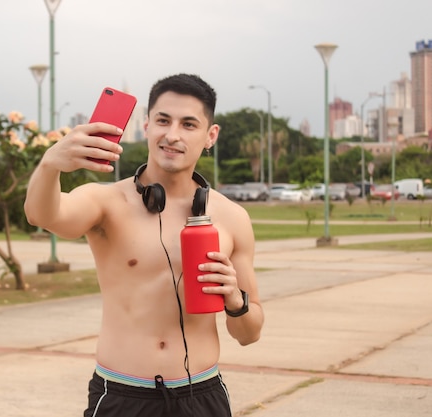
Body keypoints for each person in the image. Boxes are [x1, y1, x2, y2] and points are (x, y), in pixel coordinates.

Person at [24, 73, 264, 417]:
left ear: (210, 136)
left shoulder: (232, 217)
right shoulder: (106, 201)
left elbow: (249, 334)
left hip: (202, 395)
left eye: (189, 124)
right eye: (163, 121)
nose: (173, 135)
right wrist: (50, 165)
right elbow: (41, 214)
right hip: (123, 396)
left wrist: (236, 301)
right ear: (147, 124)